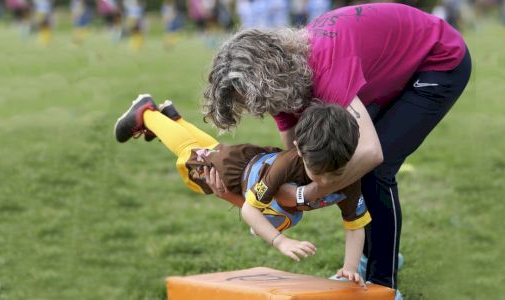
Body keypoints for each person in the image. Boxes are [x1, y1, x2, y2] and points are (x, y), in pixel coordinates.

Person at [201, 3, 471, 297]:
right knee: (337, 156)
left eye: (255, 101)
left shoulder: (327, 66)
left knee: (376, 168)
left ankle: (383, 283)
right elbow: (296, 159)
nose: (259, 109)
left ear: (270, 78)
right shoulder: (281, 91)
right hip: (392, 65)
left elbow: (370, 153)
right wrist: (259, 202)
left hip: (439, 59)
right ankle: (370, 258)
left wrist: (310, 194)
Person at [113, 94, 370, 286]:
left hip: (248, 165)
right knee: (190, 154)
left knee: (211, 149)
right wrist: (280, 241)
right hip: (234, 172)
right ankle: (147, 113)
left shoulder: (347, 174)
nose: (327, 182)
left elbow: (355, 223)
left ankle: (173, 119)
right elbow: (250, 209)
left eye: (335, 174)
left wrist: (348, 267)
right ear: (299, 150)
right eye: (319, 173)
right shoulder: (286, 165)